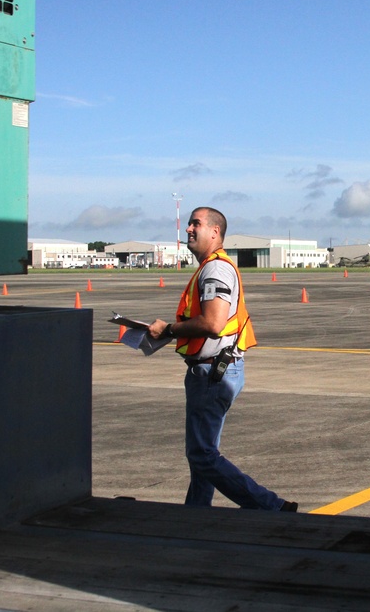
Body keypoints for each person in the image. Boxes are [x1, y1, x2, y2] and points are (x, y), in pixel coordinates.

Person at [149, 206, 297, 512]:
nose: (188, 229)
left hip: (213, 374)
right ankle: (196, 513)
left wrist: (169, 330)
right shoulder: (211, 267)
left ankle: (270, 506)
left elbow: (214, 324)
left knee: (202, 454)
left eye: (196, 224)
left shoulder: (216, 269)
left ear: (215, 232)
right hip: (216, 370)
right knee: (203, 451)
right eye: (188, 223)